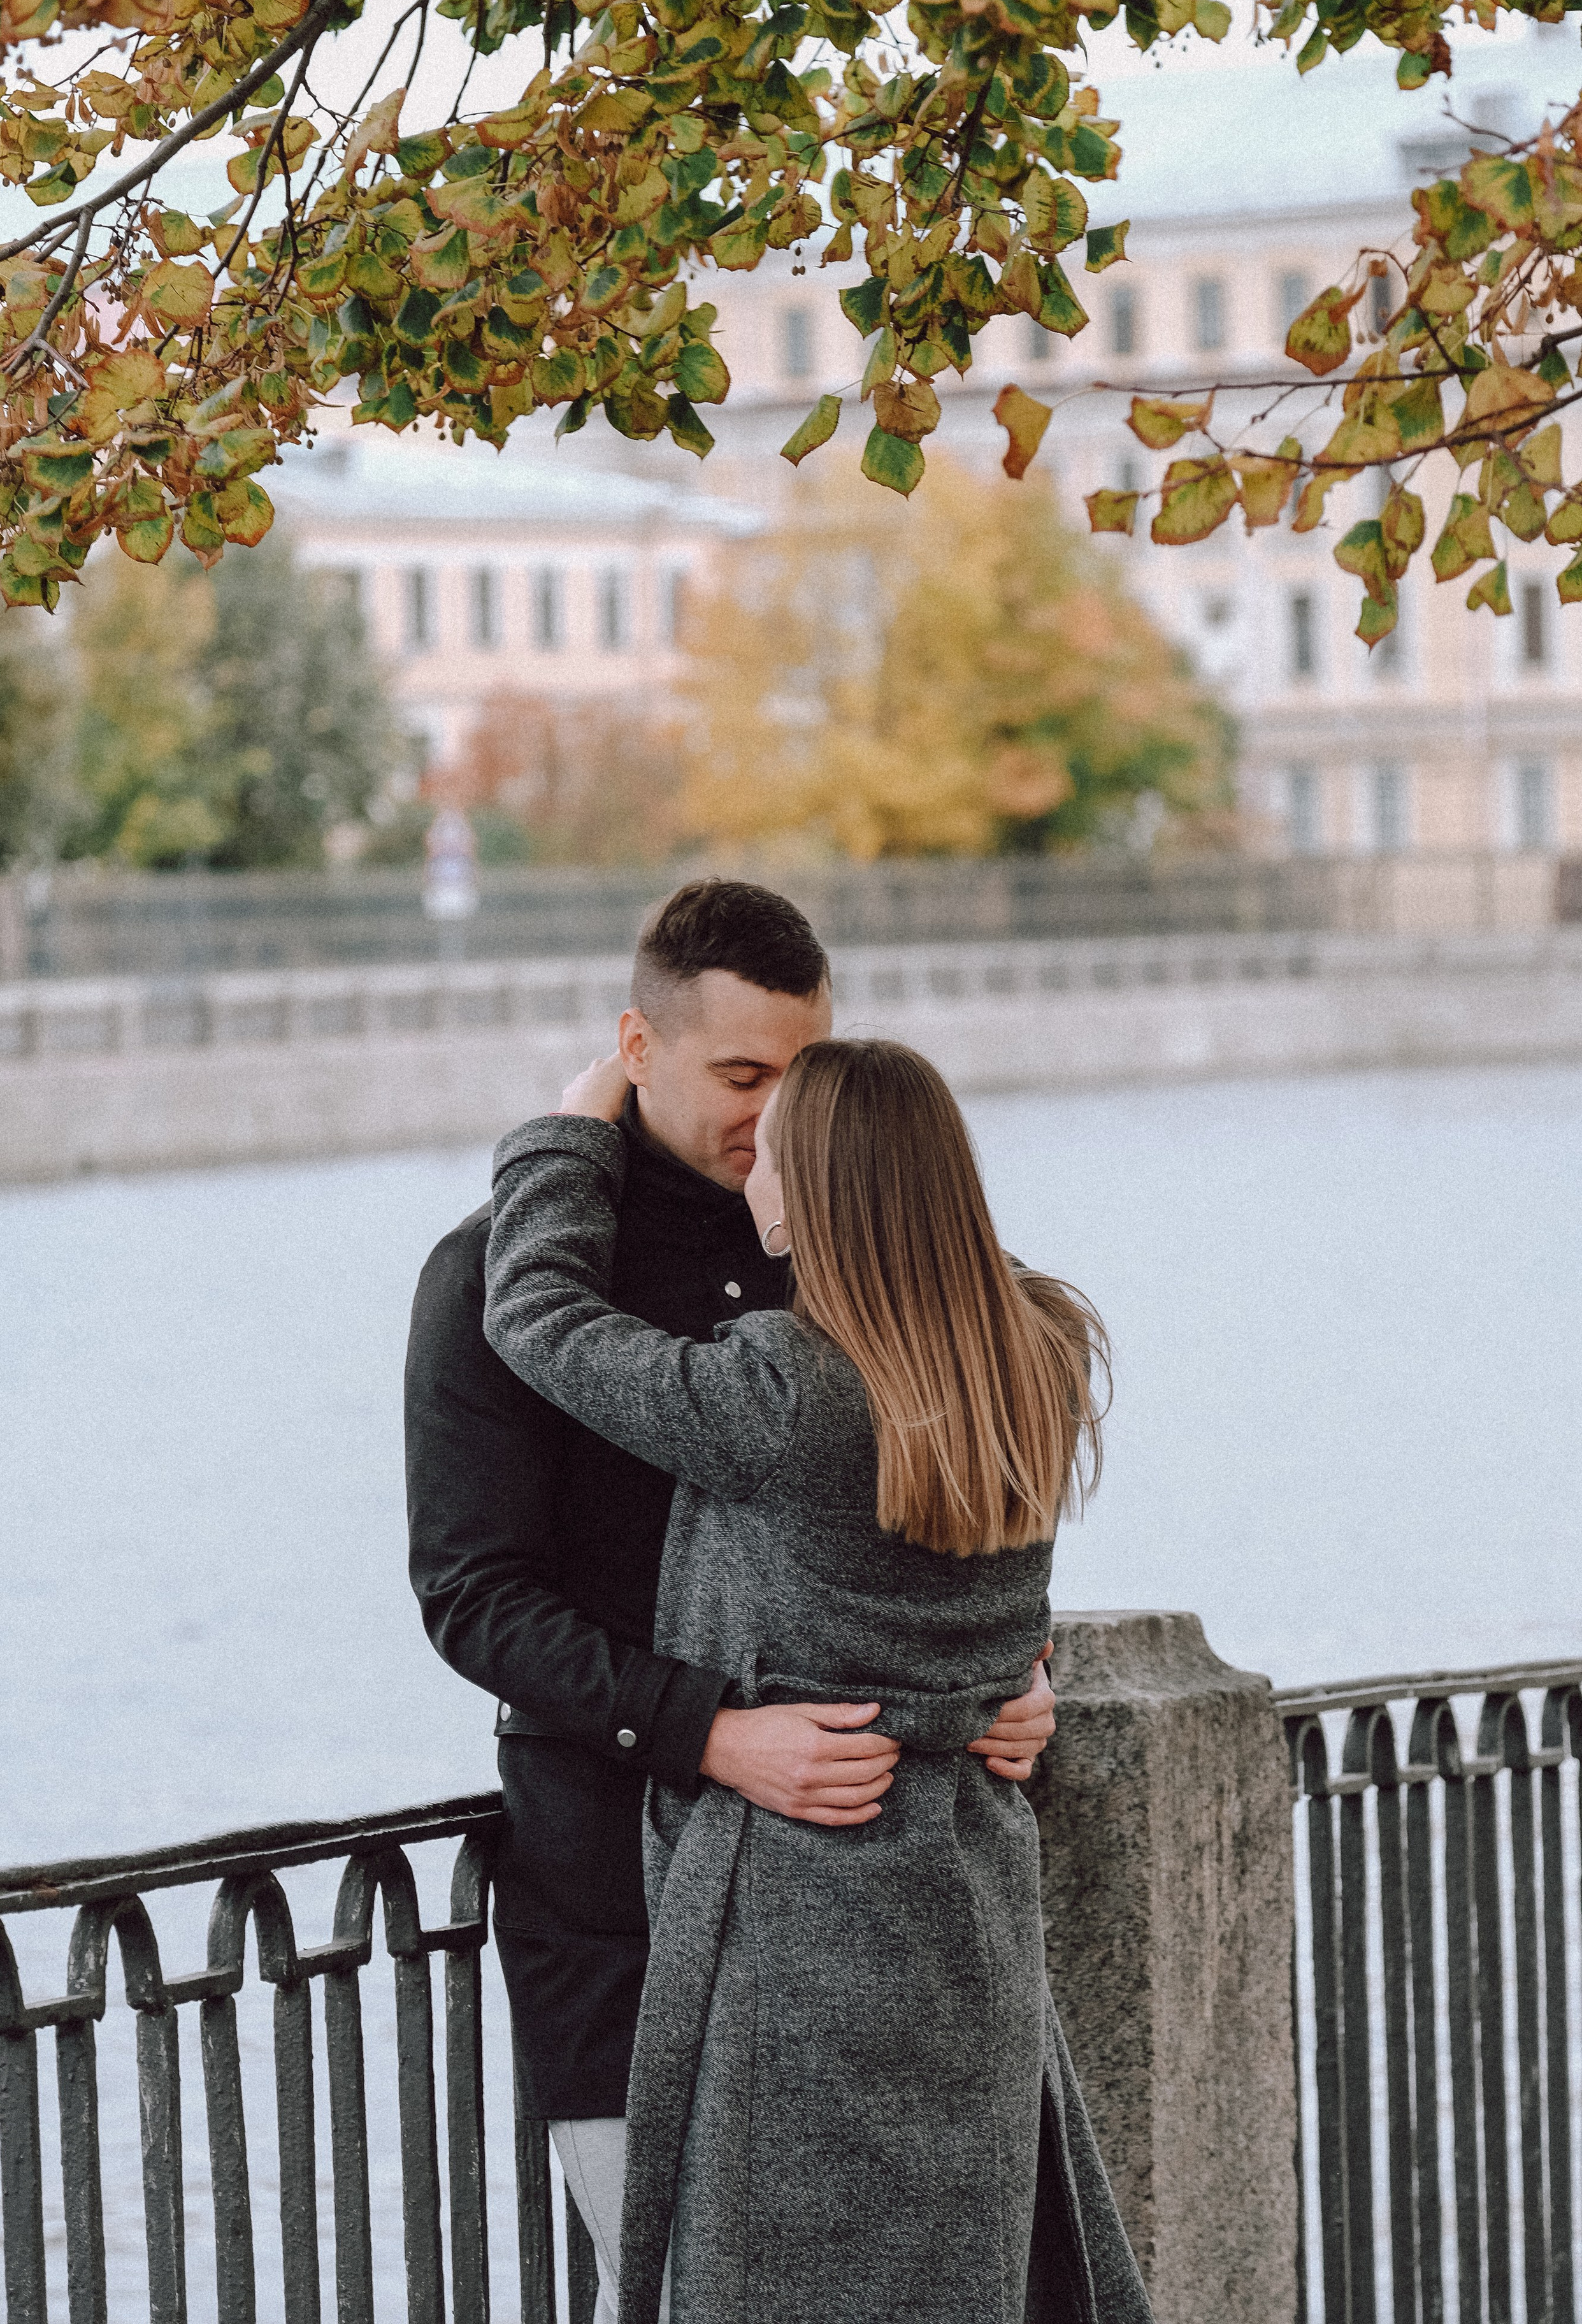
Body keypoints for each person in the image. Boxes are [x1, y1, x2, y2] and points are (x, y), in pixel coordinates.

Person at [405, 882, 1058, 2314]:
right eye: (745, 1076)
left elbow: (966, 1495)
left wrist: (1010, 1674)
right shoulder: (491, 1271)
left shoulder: (883, 1262)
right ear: (638, 1046)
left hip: (879, 1919)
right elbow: (473, 1598)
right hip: (619, 1899)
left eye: (806, 1079)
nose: (778, 1118)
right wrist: (705, 1731)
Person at [481, 1036, 1155, 2324]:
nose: (751, 1173)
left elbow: (539, 1319)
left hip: (800, 1918)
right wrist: (1012, 1678)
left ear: (812, 1196)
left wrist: (570, 1135)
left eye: (774, 1154)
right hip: (969, 1901)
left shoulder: (782, 1390)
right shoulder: (1040, 1350)